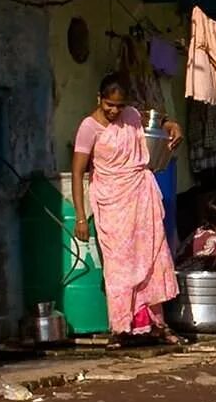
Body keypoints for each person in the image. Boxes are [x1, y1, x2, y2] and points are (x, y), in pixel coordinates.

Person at [72, 73, 183, 346]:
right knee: (119, 267)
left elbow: (153, 118)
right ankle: (121, 328)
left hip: (141, 198)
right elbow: (77, 174)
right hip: (111, 204)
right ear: (99, 98)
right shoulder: (89, 127)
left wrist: (171, 124)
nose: (114, 111)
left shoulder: (132, 116)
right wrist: (80, 218)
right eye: (109, 104)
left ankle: (158, 325)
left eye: (119, 106)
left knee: (152, 260)